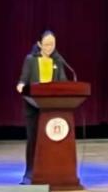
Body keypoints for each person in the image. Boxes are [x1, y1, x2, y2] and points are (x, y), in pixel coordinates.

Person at [15, 30, 68, 185]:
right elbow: (23, 80)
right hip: (33, 108)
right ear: (39, 44)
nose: (50, 47)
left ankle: (50, 173)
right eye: (46, 44)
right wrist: (21, 85)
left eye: (52, 44)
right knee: (33, 141)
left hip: (52, 109)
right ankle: (29, 173)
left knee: (51, 142)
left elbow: (64, 83)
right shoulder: (30, 60)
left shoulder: (58, 61)